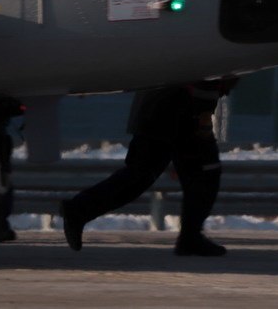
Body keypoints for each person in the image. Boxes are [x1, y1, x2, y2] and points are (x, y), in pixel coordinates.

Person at [60, 78, 236, 256]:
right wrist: (204, 111)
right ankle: (78, 210)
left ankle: (190, 238)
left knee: (195, 172)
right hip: (173, 108)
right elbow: (202, 75)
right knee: (149, 174)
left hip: (170, 107)